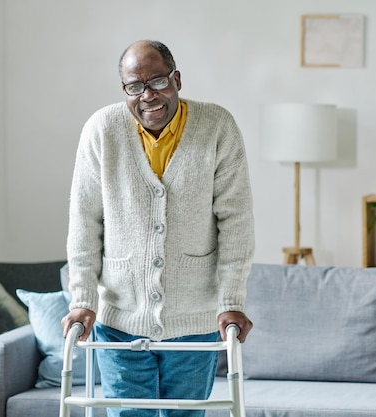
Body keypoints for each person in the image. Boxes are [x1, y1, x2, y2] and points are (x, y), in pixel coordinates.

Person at [61, 40, 255, 417]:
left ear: (177, 79)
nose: (147, 95)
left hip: (194, 319)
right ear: (125, 90)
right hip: (119, 319)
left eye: (158, 81)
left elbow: (236, 222)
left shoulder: (218, 126)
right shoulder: (102, 130)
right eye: (135, 86)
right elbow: (84, 221)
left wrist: (231, 302)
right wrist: (83, 299)